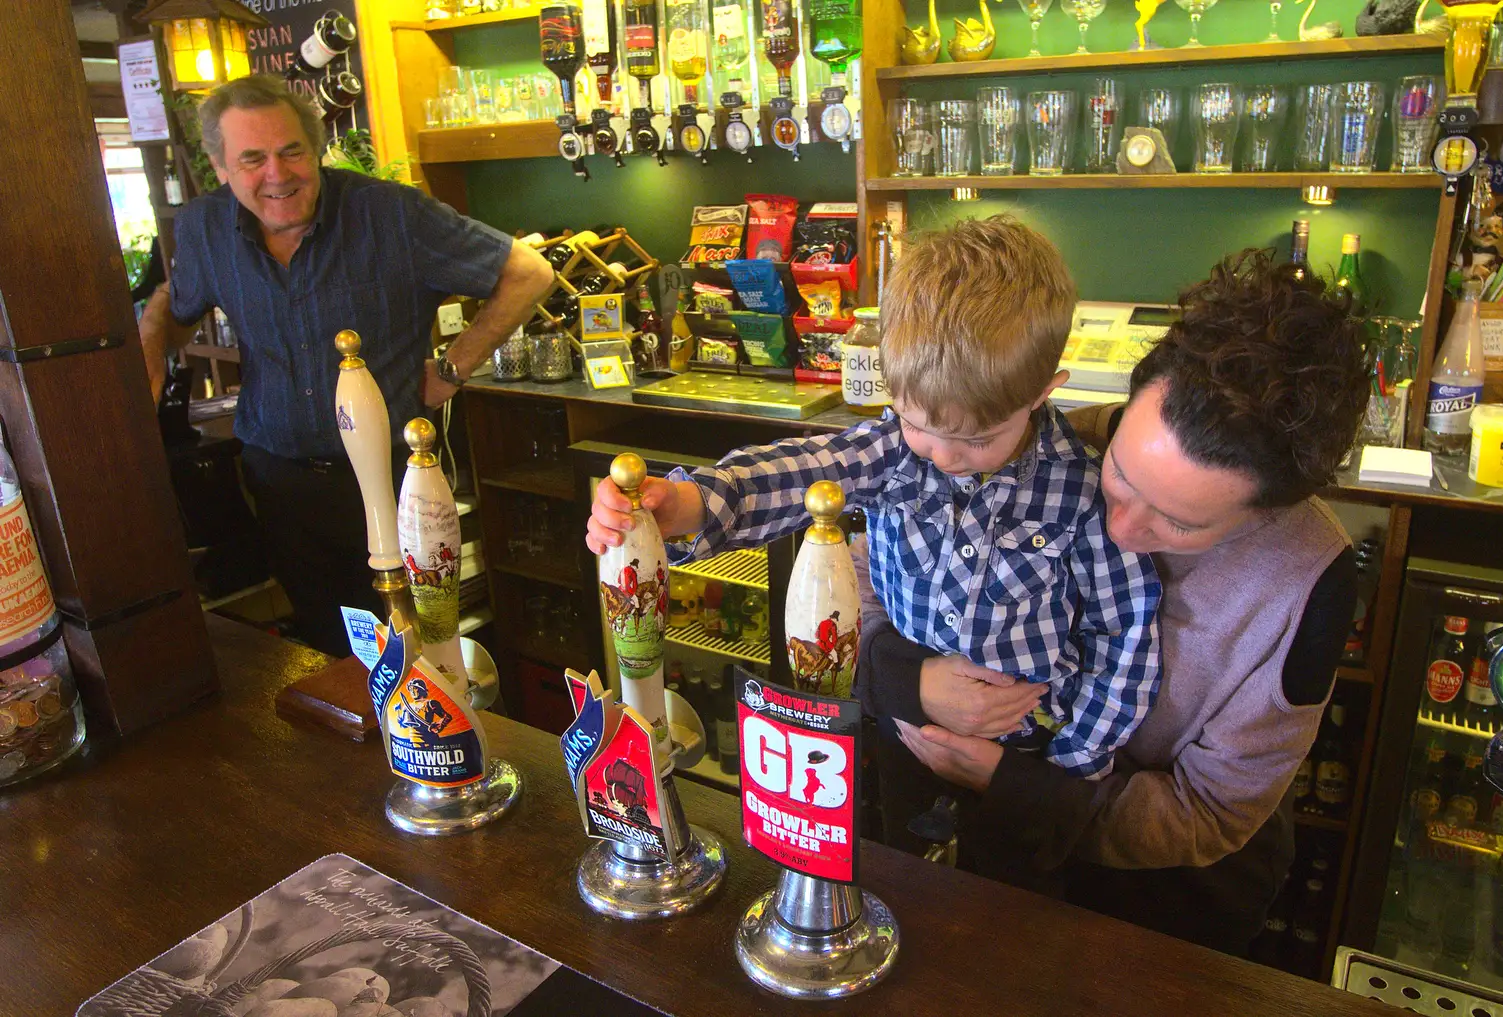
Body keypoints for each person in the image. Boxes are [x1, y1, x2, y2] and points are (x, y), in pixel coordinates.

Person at [863, 248, 1367, 956]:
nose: (1123, 528)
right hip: (966, 847)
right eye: (1121, 477)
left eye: (1180, 524)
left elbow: (1213, 813)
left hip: (1158, 905)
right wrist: (901, 675)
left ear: (1268, 513)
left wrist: (1022, 788)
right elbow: (868, 579)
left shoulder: (1305, 582)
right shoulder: (1045, 440)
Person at [589, 215, 1161, 780]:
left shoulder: (1084, 491)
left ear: (1042, 393)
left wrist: (1065, 772)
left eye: (976, 439)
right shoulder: (895, 451)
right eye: (916, 423)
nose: (940, 455)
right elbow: (801, 471)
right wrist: (690, 505)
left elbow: (1125, 638)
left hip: (1024, 759)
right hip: (899, 731)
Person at [137, 75, 553, 655]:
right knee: (326, 649)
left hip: (388, 479)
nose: (277, 175)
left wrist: (453, 368)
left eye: (291, 152)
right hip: (277, 482)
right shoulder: (207, 228)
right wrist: (151, 341)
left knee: (419, 651)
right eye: (252, 159)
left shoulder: (391, 215)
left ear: (316, 149)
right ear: (220, 166)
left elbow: (530, 273)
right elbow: (175, 309)